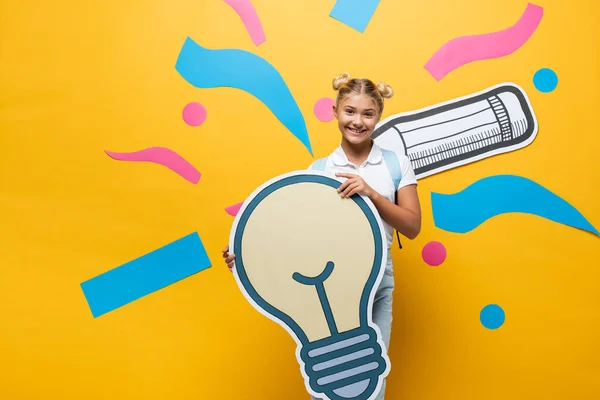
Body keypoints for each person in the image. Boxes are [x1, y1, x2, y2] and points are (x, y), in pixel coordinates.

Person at [222, 72, 422, 400]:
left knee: (370, 384)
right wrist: (247, 259)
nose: (358, 121)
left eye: (368, 114)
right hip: (329, 286)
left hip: (377, 280)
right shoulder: (319, 171)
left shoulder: (394, 163)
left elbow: (412, 227)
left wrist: (371, 193)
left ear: (378, 117)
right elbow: (297, 238)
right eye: (350, 112)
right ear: (335, 112)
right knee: (331, 387)